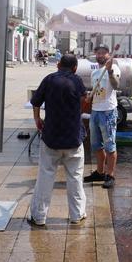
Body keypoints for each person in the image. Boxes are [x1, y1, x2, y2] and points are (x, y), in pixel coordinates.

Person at [29, 54, 88, 226]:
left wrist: (37, 119)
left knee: (45, 177)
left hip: (51, 137)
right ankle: (77, 215)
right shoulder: (77, 81)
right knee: (75, 178)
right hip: (73, 138)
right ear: (75, 68)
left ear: (58, 65)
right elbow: (83, 102)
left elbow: (36, 102)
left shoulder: (49, 79)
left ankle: (39, 217)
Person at [84, 44, 121, 189]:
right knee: (96, 145)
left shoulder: (114, 68)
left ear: (108, 54)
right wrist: (89, 97)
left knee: (110, 145)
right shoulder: (95, 73)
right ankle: (99, 172)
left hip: (108, 111)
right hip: (95, 111)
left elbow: (116, 85)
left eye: (103, 53)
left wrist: (110, 71)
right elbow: (95, 91)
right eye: (98, 53)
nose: (100, 55)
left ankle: (110, 175)